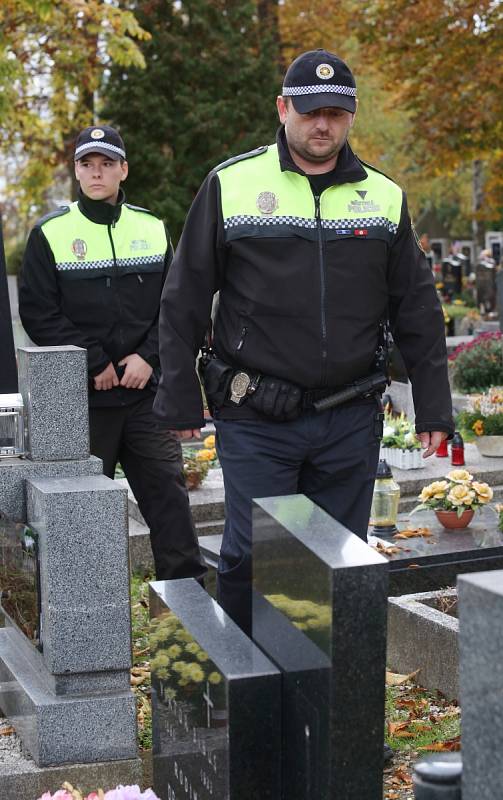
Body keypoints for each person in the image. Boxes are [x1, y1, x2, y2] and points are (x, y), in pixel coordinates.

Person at [153, 49, 453, 634]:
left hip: (350, 416)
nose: (323, 125)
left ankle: (322, 699)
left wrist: (435, 408)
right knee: (250, 555)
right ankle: (252, 696)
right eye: (311, 111)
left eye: (337, 114)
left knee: (334, 560)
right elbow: (184, 296)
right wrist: (178, 397)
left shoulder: (384, 198)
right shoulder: (231, 184)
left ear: (352, 116)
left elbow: (417, 308)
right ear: (283, 108)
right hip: (256, 413)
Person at [19, 124, 206, 583]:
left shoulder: (151, 227)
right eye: (87, 164)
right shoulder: (51, 234)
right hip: (84, 403)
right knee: (81, 518)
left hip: (145, 399)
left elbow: (175, 303)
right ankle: (85, 616)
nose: (96, 172)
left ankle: (183, 615)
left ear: (123, 169)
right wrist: (94, 361)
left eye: (106, 163)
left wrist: (149, 357)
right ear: (76, 172)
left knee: (169, 503)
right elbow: (39, 313)